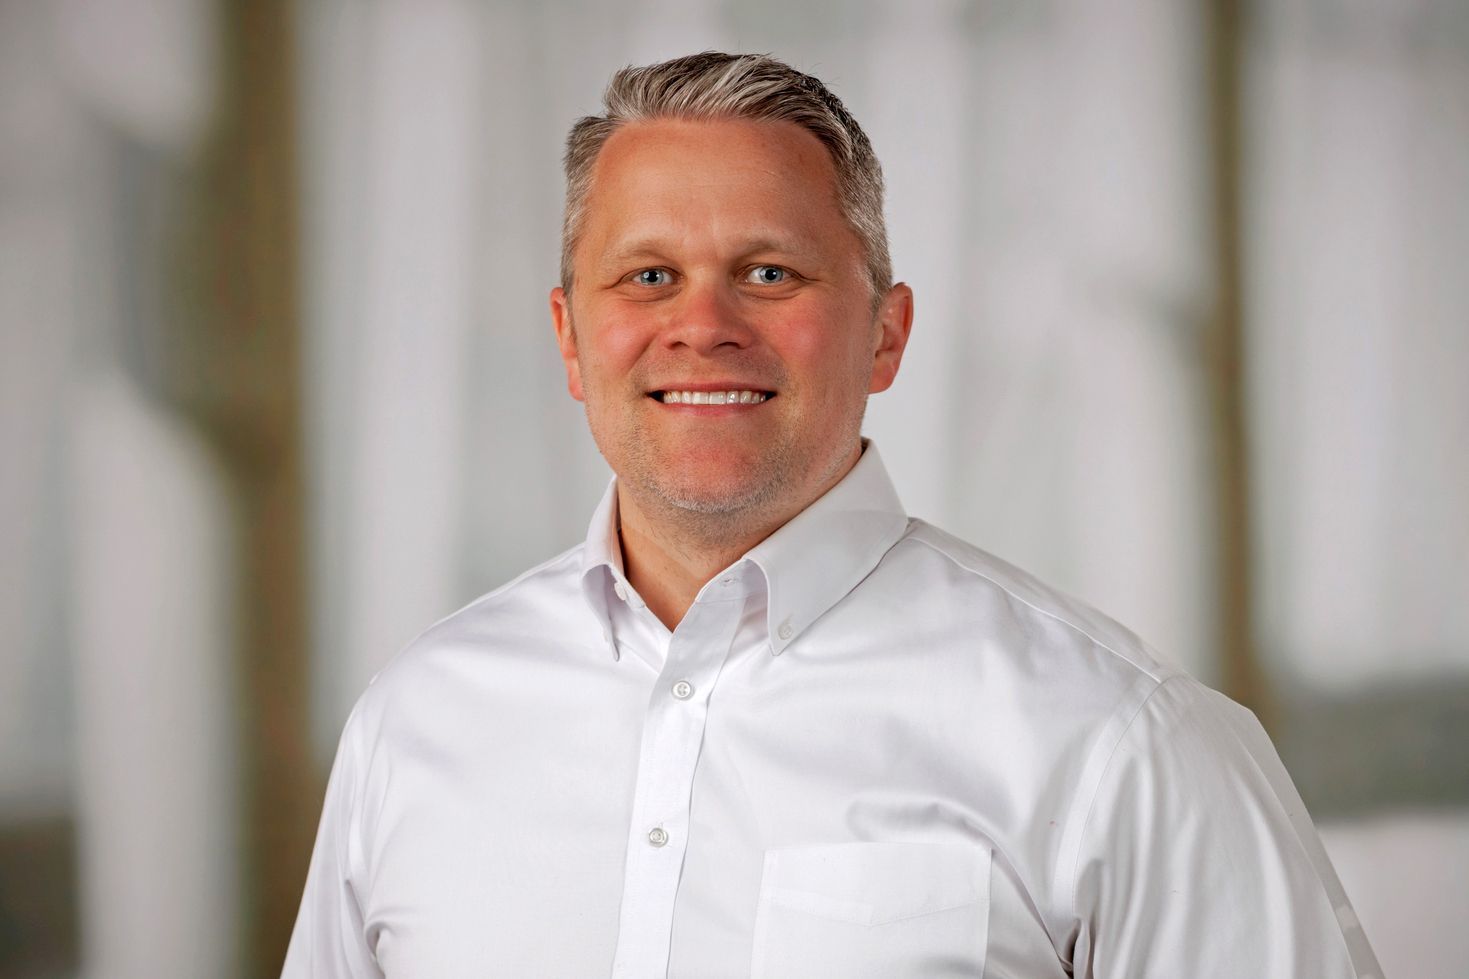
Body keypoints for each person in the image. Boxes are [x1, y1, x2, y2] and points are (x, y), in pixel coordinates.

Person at [284, 52, 1380, 978]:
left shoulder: (1116, 737)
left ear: (886, 334)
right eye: (648, 274)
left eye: (767, 271)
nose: (701, 324)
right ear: (570, 340)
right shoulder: (412, 724)